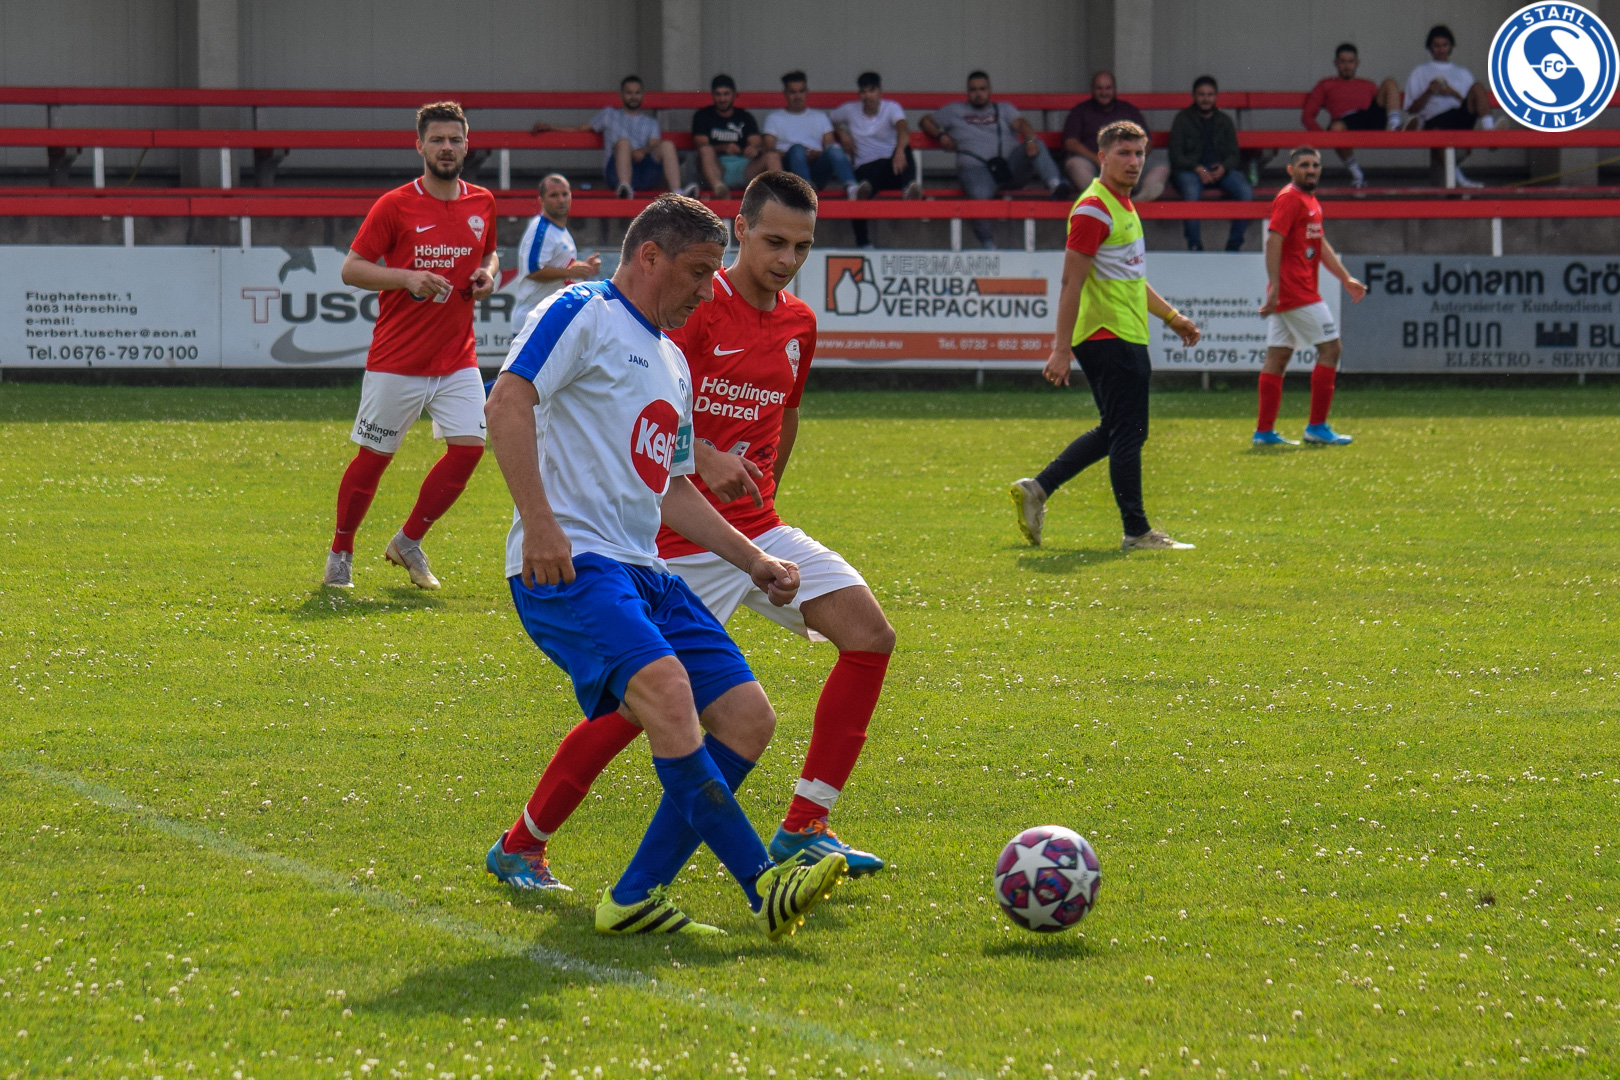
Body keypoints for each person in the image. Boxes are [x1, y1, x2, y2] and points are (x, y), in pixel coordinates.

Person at [487, 172, 896, 890]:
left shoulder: (780, 327)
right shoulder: (647, 309)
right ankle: (533, 843)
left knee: (857, 642)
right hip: (652, 550)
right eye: (774, 241)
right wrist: (700, 460)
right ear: (739, 231)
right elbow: (561, 407)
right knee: (643, 706)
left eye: (802, 247)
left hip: (726, 535)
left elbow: (755, 430)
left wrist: (759, 534)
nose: (787, 259)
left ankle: (800, 826)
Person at [322, 101, 496, 591]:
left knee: (470, 449)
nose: (447, 148)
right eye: (437, 139)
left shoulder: (483, 202)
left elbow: (490, 255)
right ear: (419, 146)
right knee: (374, 460)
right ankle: (340, 552)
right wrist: (406, 278)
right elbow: (351, 269)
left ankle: (409, 541)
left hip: (457, 357)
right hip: (397, 361)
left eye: (454, 139)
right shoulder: (394, 205)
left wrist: (488, 275)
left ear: (467, 144)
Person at [1010, 121, 1201, 552]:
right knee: (1128, 432)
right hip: (1108, 333)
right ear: (1102, 157)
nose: (1134, 162)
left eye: (1139, 153)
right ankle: (1137, 532)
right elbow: (1070, 282)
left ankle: (1037, 489)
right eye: (1124, 153)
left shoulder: (1121, 206)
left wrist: (1172, 317)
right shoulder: (1094, 209)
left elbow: (1132, 278)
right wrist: (1060, 349)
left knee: (1116, 429)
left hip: (1121, 332)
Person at [1253, 147, 1367, 447]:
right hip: (1295, 291)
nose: (1311, 170)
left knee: (1277, 357)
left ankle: (1264, 433)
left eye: (1315, 165)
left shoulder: (1310, 200)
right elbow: (1273, 241)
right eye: (1304, 165)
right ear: (1291, 170)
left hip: (1295, 290)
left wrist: (1345, 278)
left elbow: (1319, 243)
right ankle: (1316, 427)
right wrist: (1276, 287)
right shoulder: (1290, 198)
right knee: (1331, 349)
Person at [919, 70, 1069, 250]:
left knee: (1036, 143)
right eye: (973, 89)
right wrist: (941, 136)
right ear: (967, 91)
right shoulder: (955, 110)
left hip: (1008, 167)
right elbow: (925, 121)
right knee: (979, 197)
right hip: (976, 170)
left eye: (982, 89)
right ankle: (989, 246)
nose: (978, 93)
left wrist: (1029, 139)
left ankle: (1055, 185)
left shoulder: (1004, 108)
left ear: (990, 90)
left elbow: (1021, 123)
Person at [533, 75, 687, 198]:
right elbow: (579, 129)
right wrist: (550, 127)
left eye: (637, 93)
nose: (633, 96)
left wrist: (642, 151)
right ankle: (625, 189)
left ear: (642, 95)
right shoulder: (609, 114)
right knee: (623, 143)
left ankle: (678, 192)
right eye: (629, 93)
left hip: (643, 171)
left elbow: (654, 144)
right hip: (616, 174)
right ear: (621, 95)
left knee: (667, 145)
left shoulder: (650, 122)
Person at [832, 72, 920, 248]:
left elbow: (903, 129)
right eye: (863, 92)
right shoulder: (850, 110)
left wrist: (900, 150)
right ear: (859, 94)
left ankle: (909, 188)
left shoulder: (891, 108)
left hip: (891, 168)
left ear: (880, 91)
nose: (868, 96)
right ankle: (863, 242)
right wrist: (841, 133)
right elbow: (828, 119)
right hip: (865, 167)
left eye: (871, 91)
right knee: (860, 190)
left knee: (905, 149)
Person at [1403, 24, 1495, 188]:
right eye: (1436, 46)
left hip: (1459, 118)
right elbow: (1411, 108)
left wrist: (1452, 93)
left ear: (1451, 46)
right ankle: (1462, 181)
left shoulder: (1462, 73)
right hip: (1434, 120)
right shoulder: (1420, 71)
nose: (1441, 50)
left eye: (1444, 45)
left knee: (1478, 87)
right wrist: (1429, 91)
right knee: (1437, 135)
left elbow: (1471, 102)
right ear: (1430, 47)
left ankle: (1491, 134)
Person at [1302, 43, 1404, 188]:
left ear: (1357, 63)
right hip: (1345, 122)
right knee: (1336, 128)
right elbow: (1307, 115)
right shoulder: (1325, 84)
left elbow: (1380, 105)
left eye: (1350, 62)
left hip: (1369, 118)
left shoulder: (1368, 85)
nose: (1347, 66)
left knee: (1390, 82)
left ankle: (1394, 125)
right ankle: (1357, 174)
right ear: (1336, 63)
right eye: (1342, 62)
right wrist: (1323, 137)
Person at [1169, 76, 1253, 251]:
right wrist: (1197, 168)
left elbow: (1234, 154)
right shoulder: (1182, 119)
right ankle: (1195, 245)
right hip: (1191, 171)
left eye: (1210, 95)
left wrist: (1224, 167)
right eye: (1201, 95)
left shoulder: (1225, 120)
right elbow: (1175, 156)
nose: (1206, 99)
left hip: (1220, 171)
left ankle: (1234, 245)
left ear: (1216, 96)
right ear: (1194, 96)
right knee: (1191, 193)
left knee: (1245, 192)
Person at [1061, 71, 1169, 202]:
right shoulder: (1080, 111)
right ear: (1092, 89)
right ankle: (1103, 199)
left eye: (1108, 88)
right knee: (1074, 164)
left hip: (1130, 167)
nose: (1104, 92)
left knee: (1162, 167)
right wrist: (1097, 159)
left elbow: (1147, 142)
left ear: (1115, 89)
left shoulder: (1129, 110)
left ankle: (1137, 202)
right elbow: (1070, 142)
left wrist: (1134, 159)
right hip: (1096, 168)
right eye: (1099, 88)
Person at [512, 173, 601, 329]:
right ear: (541, 200)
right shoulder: (541, 229)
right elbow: (534, 270)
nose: (561, 200)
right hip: (533, 319)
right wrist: (570, 272)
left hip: (550, 318)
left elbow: (561, 266)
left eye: (565, 194)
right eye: (554, 195)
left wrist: (583, 267)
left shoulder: (560, 230)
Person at [762, 70, 859, 199]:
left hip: (817, 170)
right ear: (785, 93)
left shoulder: (820, 117)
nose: (797, 96)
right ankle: (805, 190)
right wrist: (799, 154)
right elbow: (769, 150)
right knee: (798, 149)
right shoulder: (774, 118)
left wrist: (816, 154)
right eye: (792, 92)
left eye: (801, 91)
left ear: (807, 92)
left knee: (834, 148)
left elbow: (829, 144)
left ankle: (852, 188)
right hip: (789, 172)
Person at [692, 74, 768, 199]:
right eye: (718, 94)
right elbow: (701, 145)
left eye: (726, 94)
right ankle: (720, 190)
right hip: (717, 167)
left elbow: (756, 142)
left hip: (743, 167)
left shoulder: (745, 116)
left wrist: (753, 149)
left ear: (734, 94)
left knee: (771, 157)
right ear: (712, 95)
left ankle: (781, 199)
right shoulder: (703, 116)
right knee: (705, 150)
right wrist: (723, 148)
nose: (722, 99)